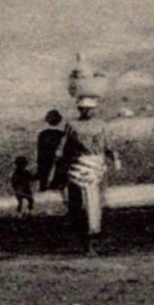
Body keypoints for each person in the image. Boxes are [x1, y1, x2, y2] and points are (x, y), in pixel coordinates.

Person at [58, 96, 119, 255]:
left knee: (94, 205)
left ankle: (92, 241)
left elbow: (108, 145)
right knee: (79, 205)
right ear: (79, 109)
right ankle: (85, 243)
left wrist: (115, 159)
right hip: (77, 166)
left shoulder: (101, 125)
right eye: (84, 108)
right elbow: (64, 148)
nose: (87, 111)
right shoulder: (72, 126)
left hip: (96, 167)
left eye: (90, 108)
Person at [36, 109, 67, 198]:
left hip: (45, 160)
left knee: (44, 181)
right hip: (59, 162)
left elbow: (40, 152)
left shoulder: (42, 134)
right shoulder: (63, 134)